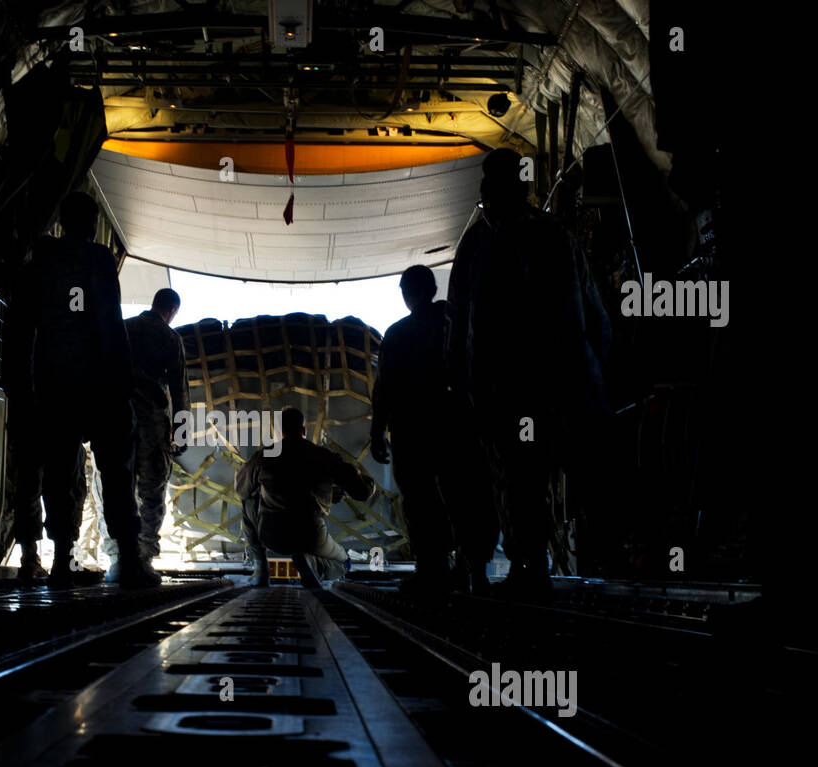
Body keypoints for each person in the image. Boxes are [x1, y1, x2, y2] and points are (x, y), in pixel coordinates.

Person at [448, 148, 611, 599]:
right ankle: (565, 565)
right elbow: (594, 313)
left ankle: (530, 566)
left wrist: (460, 385)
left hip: (509, 390)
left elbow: (461, 325)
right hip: (559, 384)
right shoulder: (555, 235)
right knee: (550, 475)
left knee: (517, 479)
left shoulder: (479, 245)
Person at [31, 192, 160, 589]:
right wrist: (122, 381)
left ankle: (62, 563)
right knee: (117, 473)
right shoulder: (100, 259)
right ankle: (130, 560)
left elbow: (31, 328)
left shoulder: (43, 262)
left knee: (58, 472)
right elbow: (109, 321)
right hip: (100, 382)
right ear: (90, 223)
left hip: (55, 383)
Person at [370, 265, 497, 597]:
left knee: (420, 503)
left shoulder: (397, 334)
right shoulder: (453, 324)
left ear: (407, 294)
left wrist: (376, 432)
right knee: (465, 496)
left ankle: (432, 570)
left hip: (413, 433)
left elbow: (383, 389)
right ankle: (475, 570)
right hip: (456, 427)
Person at [234, 406, 374, 588]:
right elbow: (362, 492)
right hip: (310, 536)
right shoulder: (323, 456)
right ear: (304, 430)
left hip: (272, 535)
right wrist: (364, 479)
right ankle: (314, 565)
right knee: (344, 563)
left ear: (279, 432)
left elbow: (240, 490)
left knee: (248, 501)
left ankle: (261, 568)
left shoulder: (264, 456)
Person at [103, 288, 189, 581]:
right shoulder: (170, 339)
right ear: (172, 310)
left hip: (116, 416)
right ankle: (143, 561)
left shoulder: (123, 329)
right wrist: (182, 432)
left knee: (116, 486)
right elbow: (179, 390)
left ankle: (116, 559)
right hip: (151, 423)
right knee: (151, 492)